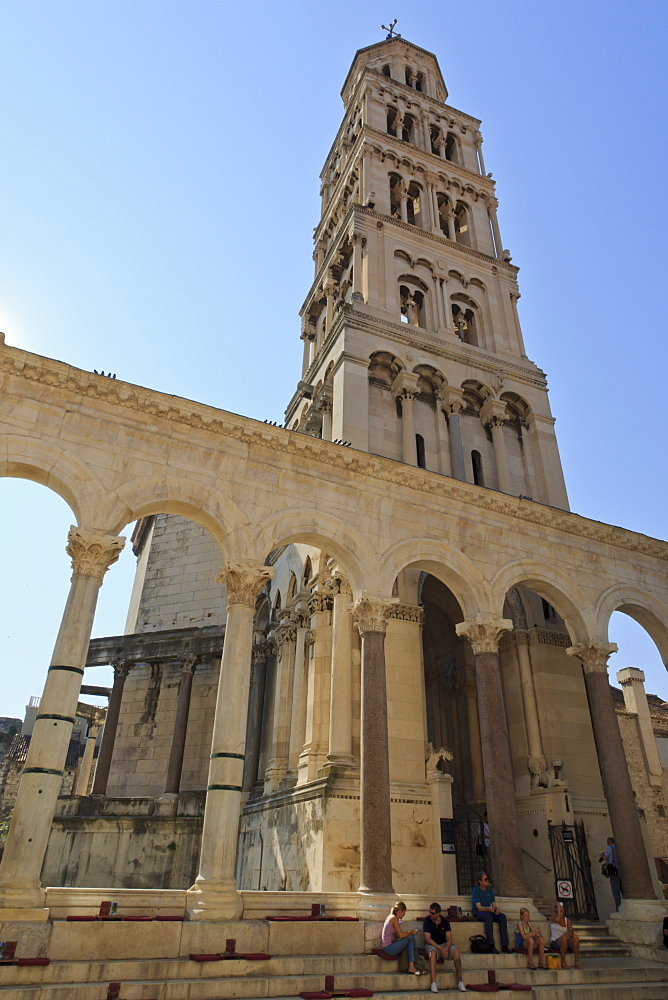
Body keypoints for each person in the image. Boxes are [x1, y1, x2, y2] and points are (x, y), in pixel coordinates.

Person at [423, 901, 467, 993]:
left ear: (438, 913)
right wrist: (440, 949)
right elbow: (428, 939)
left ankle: (460, 981)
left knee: (455, 951)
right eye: (430, 912)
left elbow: (449, 938)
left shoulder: (445, 922)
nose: (430, 914)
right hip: (433, 945)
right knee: (432, 953)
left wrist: (446, 949)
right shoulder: (427, 921)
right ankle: (433, 982)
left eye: (433, 913)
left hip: (443, 944)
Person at [381, 901, 425, 975]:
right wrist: (411, 932)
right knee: (410, 937)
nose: (404, 915)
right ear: (400, 911)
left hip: (391, 945)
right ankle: (414, 963)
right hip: (388, 948)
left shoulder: (395, 918)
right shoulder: (393, 918)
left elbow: (398, 935)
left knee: (410, 940)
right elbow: (401, 935)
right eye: (404, 913)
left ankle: (412, 965)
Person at [472, 871, 510, 954]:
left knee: (502, 917)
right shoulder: (476, 890)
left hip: (489, 911)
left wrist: (496, 910)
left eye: (487, 879)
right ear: (480, 881)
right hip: (480, 912)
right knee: (488, 917)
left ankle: (505, 945)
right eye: (485, 879)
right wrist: (489, 909)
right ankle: (491, 944)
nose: (487, 881)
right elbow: (479, 907)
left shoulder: (490, 891)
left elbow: (494, 905)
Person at [549, 902, 580, 969]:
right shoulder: (553, 917)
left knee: (575, 937)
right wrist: (558, 910)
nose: (560, 908)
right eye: (558, 907)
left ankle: (576, 962)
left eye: (561, 907)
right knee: (563, 938)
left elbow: (571, 931)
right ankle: (563, 962)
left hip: (565, 940)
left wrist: (566, 935)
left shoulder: (567, 920)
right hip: (555, 941)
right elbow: (559, 921)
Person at [599, 836, 622, 911]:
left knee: (616, 891)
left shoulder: (610, 848)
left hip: (614, 872)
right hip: (621, 871)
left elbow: (605, 857)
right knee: (623, 890)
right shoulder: (619, 847)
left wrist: (602, 855)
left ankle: (618, 908)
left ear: (609, 842)